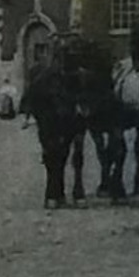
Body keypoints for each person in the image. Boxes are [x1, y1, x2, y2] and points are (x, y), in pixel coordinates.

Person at [20, 36, 89, 208]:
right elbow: (33, 95)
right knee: (52, 153)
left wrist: (82, 105)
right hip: (49, 120)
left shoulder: (79, 78)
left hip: (70, 117)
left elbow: (83, 94)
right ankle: (53, 191)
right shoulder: (44, 78)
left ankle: (70, 191)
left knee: (68, 151)